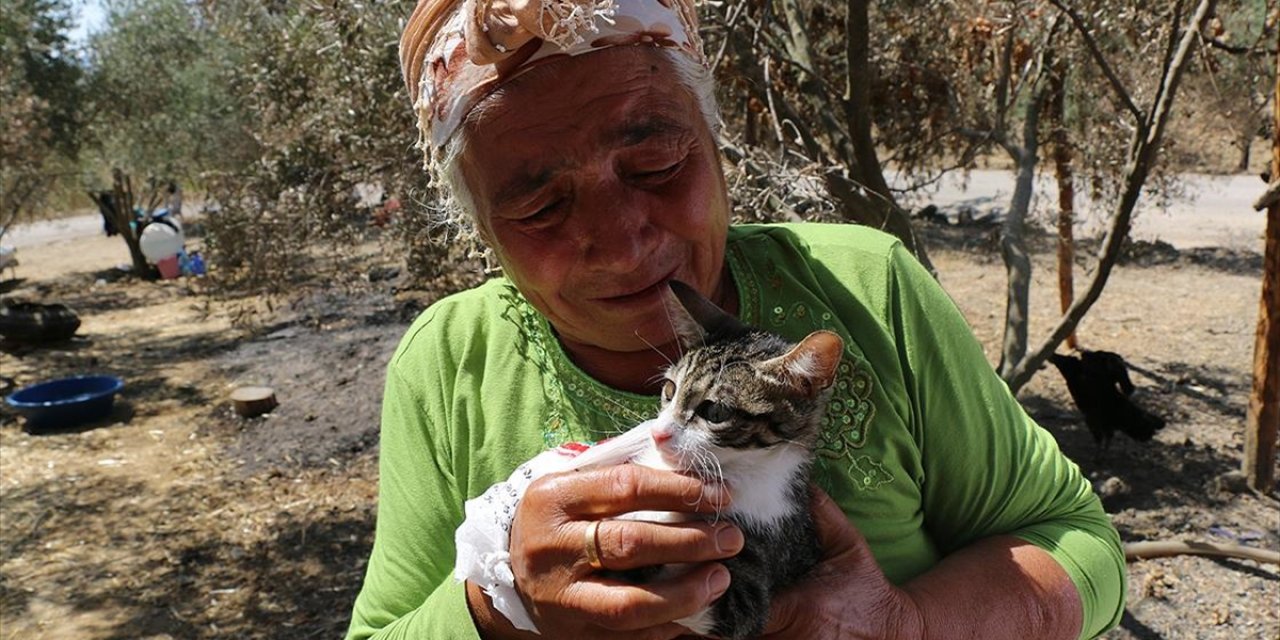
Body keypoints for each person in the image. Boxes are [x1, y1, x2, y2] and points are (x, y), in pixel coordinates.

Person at [345, 0, 1128, 637]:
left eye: (655, 164)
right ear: (480, 231)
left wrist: (908, 625)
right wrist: (498, 607)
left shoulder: (869, 287)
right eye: (540, 206)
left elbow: (1084, 550)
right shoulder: (446, 364)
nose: (623, 243)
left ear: (716, 141)